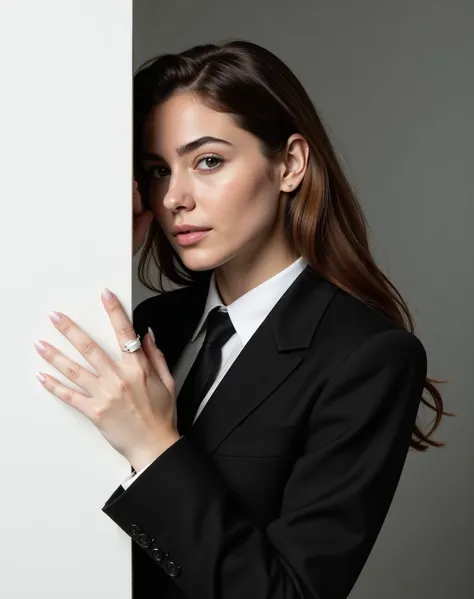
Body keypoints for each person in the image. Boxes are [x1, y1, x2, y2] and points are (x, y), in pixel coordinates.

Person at [35, 40, 448, 599]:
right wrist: (94, 265)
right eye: (158, 170)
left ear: (290, 164)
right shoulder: (153, 323)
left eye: (208, 161)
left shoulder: (366, 357)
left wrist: (154, 446)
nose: (174, 197)